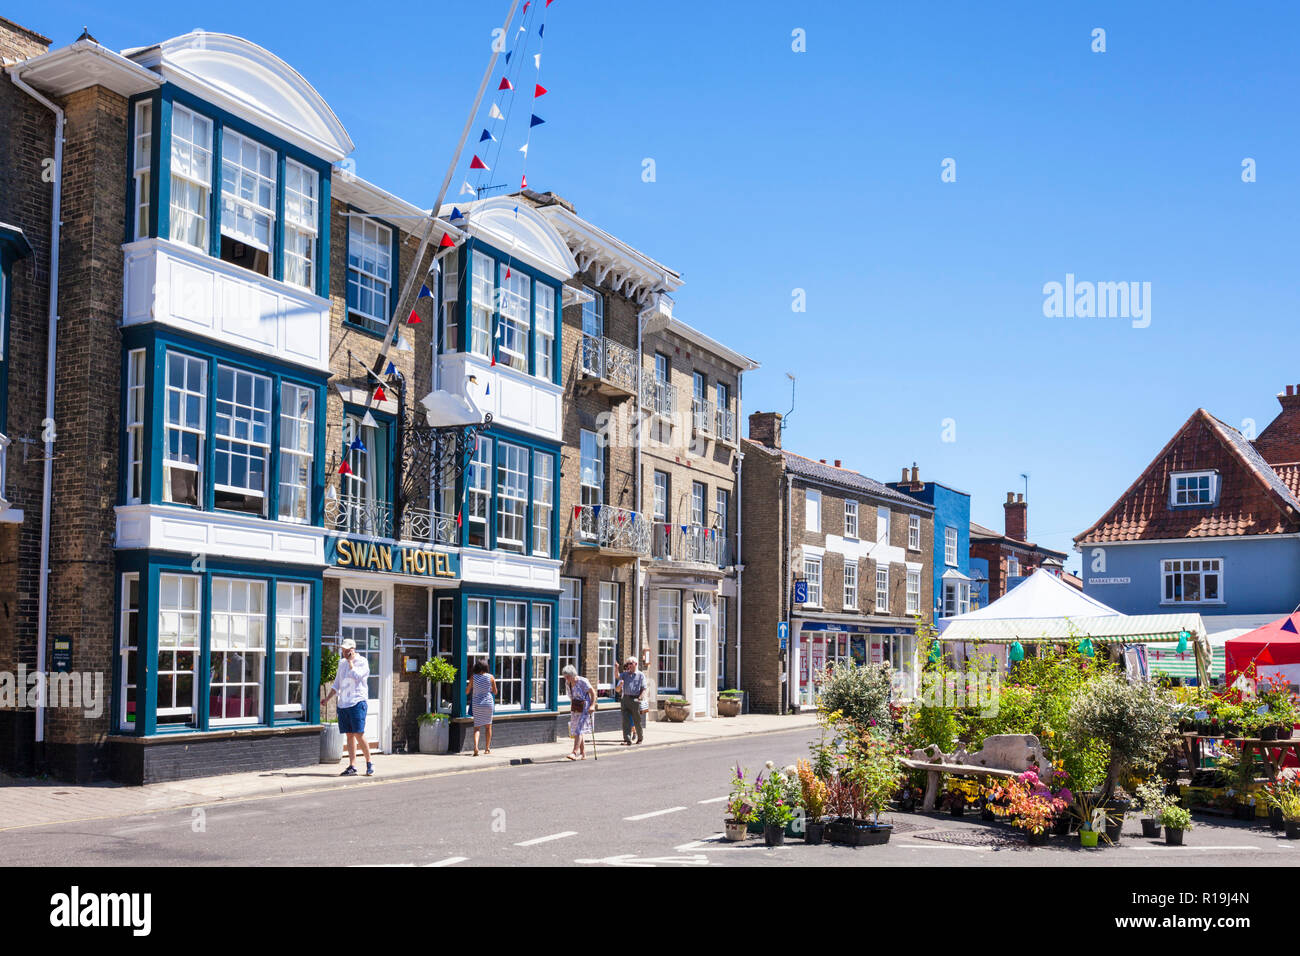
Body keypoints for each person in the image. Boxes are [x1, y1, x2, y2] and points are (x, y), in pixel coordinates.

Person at [321, 637, 372, 776]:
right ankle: (352, 766)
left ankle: (369, 762)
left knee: (358, 734)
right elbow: (337, 684)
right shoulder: (341, 663)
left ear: (353, 649)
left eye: (346, 650)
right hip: (343, 704)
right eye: (343, 650)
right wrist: (327, 698)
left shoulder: (362, 662)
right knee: (349, 735)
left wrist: (350, 662)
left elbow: (357, 676)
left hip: (357, 702)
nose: (344, 653)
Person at [562, 664, 596, 760]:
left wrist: (592, 705)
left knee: (579, 730)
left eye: (567, 676)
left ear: (573, 675)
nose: (566, 678)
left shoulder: (583, 681)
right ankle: (583, 753)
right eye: (565, 676)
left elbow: (593, 693)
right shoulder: (567, 683)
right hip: (575, 707)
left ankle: (574, 752)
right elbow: (570, 695)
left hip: (585, 708)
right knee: (577, 730)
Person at [466, 659, 496, 756]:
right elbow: (495, 692)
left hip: (477, 704)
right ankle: (487, 749)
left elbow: (467, 691)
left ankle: (476, 747)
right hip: (488, 703)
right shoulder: (491, 677)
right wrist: (489, 689)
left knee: (477, 728)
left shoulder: (473, 677)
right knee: (488, 726)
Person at [614, 657, 645, 745]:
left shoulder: (640, 675)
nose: (629, 665)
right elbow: (617, 676)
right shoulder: (624, 674)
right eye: (628, 664)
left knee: (637, 721)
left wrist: (640, 697)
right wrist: (616, 668)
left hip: (635, 699)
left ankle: (640, 738)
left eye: (631, 663)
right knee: (625, 721)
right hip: (625, 699)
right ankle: (627, 740)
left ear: (636, 664)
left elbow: (643, 688)